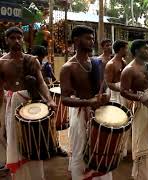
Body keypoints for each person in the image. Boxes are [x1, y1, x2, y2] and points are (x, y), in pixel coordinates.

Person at [0, 26, 56, 180]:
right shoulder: (1, 62)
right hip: (12, 105)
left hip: (32, 105)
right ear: (6, 40)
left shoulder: (31, 60)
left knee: (33, 140)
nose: (17, 41)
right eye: (13, 38)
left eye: (19, 37)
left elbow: (41, 83)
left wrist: (50, 100)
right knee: (14, 139)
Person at [60, 25, 112, 180]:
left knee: (102, 151)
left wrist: (105, 97)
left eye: (92, 38)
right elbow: (64, 98)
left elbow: (103, 87)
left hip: (99, 114)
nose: (92, 41)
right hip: (81, 115)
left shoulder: (98, 63)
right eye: (88, 38)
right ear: (76, 40)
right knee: (80, 152)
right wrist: (88, 102)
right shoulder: (68, 67)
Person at [120, 39, 148, 180]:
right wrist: (140, 98)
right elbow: (123, 91)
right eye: (145, 48)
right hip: (142, 106)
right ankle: (141, 174)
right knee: (142, 138)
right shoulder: (129, 70)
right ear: (136, 51)